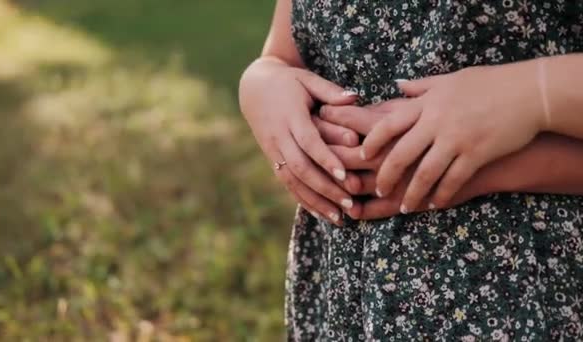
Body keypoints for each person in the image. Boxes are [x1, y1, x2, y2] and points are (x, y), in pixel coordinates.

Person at [239, 0, 583, 340]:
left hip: (528, 286)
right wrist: (261, 85)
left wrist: (531, 96)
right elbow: (283, 53)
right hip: (344, 290)